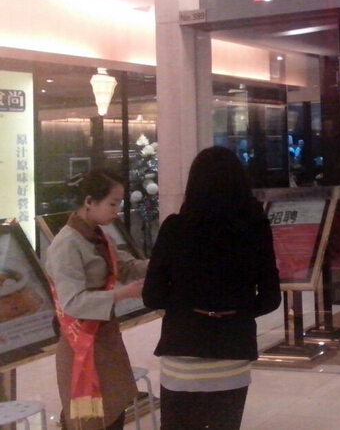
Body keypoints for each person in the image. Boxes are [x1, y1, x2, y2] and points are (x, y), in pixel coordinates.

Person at [142, 147, 281, 430]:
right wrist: (236, 311)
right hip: (233, 351)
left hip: (183, 348)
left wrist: (190, 308)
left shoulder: (175, 228)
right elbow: (270, 298)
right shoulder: (255, 228)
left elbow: (152, 295)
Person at [45, 168, 148, 430]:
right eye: (113, 203)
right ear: (89, 201)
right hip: (81, 341)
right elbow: (73, 302)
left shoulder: (98, 236)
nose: (117, 211)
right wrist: (122, 294)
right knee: (90, 419)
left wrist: (163, 263)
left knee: (113, 412)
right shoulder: (66, 244)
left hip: (104, 337)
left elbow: (126, 267)